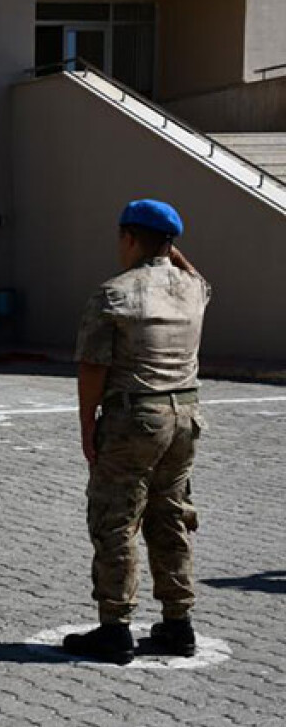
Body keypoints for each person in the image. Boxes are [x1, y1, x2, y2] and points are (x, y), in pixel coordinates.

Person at [62, 199, 210, 665]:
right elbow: (201, 279)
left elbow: (92, 369)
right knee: (170, 517)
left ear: (128, 238)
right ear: (170, 243)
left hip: (134, 419)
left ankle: (115, 626)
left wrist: (87, 427)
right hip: (184, 415)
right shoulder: (191, 289)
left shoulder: (115, 293)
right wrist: (171, 250)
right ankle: (178, 622)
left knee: (117, 520)